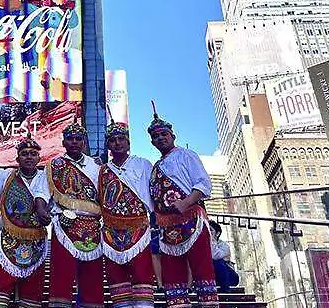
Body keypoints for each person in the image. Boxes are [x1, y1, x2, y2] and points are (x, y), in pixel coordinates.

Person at [148, 107, 218, 308]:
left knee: (202, 271)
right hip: (167, 228)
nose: (160, 138)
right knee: (172, 276)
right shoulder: (156, 167)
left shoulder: (187, 155)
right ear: (152, 142)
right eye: (156, 136)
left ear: (173, 136)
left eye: (164, 134)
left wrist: (186, 202)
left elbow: (203, 184)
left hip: (192, 220)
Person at [0, 136, 51, 308]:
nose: (29, 157)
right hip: (8, 239)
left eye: (32, 153)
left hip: (37, 240)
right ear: (17, 159)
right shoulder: (5, 176)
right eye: (24, 154)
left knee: (33, 291)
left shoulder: (48, 178)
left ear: (39, 158)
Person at [46, 121, 104, 308]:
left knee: (92, 275)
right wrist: (43, 213)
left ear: (84, 143)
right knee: (61, 275)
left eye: (78, 139)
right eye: (70, 139)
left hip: (93, 227)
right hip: (64, 225)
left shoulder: (97, 166)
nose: (74, 142)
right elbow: (42, 194)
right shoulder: (54, 165)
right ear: (63, 143)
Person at [98, 122, 155, 308]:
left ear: (128, 143)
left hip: (138, 229)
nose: (117, 143)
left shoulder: (143, 164)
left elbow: (154, 193)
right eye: (112, 140)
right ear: (108, 145)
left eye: (121, 139)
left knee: (142, 275)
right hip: (111, 233)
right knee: (116, 279)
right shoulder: (103, 170)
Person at [208, 222, 238, 290]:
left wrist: (212, 240)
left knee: (218, 261)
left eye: (210, 230)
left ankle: (225, 290)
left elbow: (215, 256)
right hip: (211, 277)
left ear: (217, 233)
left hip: (228, 277)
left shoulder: (224, 246)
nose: (208, 232)